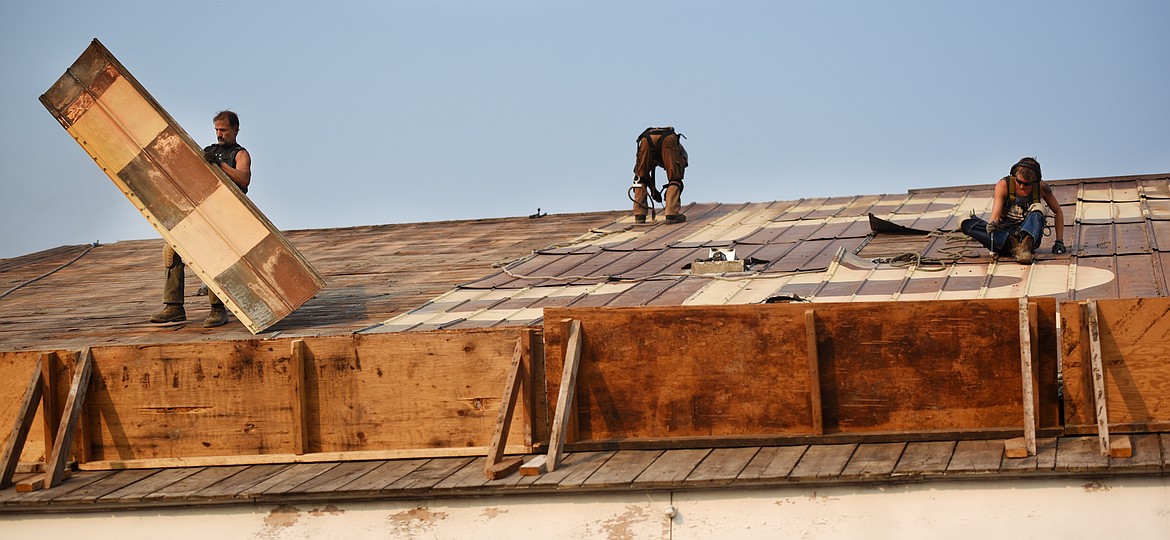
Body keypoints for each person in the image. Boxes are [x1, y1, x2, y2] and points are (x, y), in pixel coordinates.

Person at [150, 110, 252, 327]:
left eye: (223, 130)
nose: (219, 134)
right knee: (170, 252)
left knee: (212, 259)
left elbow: (243, 180)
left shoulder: (240, 154)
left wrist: (220, 165)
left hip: (224, 217)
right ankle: (174, 307)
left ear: (235, 130)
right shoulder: (209, 151)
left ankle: (217, 310)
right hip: (200, 212)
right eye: (216, 130)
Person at [960, 157, 1066, 264]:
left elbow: (1058, 211)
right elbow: (995, 215)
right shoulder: (1004, 185)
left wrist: (1059, 241)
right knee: (965, 222)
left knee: (1039, 208)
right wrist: (992, 224)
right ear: (1014, 175)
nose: (1021, 186)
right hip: (1005, 235)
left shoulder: (1042, 188)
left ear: (1035, 181)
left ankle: (1024, 247)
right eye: (1019, 181)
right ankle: (1013, 246)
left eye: (1026, 184)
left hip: (1029, 236)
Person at [631, 126, 688, 224]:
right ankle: (672, 213)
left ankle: (639, 214)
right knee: (675, 178)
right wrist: (656, 191)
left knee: (640, 177)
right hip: (668, 140)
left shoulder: (677, 152)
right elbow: (679, 170)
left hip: (647, 139)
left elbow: (644, 176)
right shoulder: (680, 152)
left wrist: (654, 190)